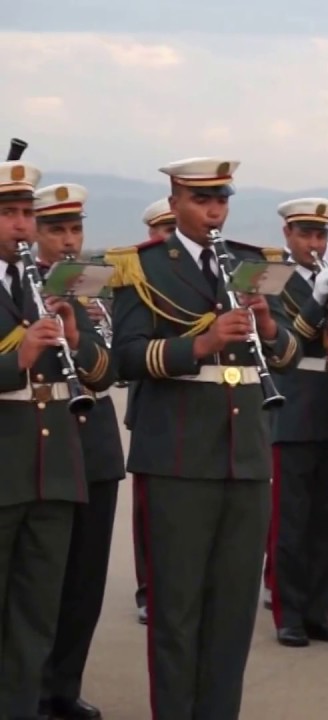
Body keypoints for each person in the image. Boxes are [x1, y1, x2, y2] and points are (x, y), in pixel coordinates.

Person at [107, 156, 302, 718]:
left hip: (246, 454)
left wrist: (267, 327)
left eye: (221, 200)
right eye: (201, 200)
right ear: (174, 204)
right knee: (178, 606)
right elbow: (123, 357)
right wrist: (199, 345)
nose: (214, 211)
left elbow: (287, 354)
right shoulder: (143, 267)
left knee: (234, 607)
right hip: (178, 455)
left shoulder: (248, 263)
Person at [0, 157, 112, 720]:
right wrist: (13, 358)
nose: (21, 226)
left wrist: (73, 337)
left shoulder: (52, 285)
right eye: (10, 215)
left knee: (35, 614)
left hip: (54, 469)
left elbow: (101, 369)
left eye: (26, 213)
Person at [29, 183, 124, 720]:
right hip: (41, 446)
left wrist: (78, 336)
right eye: (55, 229)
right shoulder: (20, 286)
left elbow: (108, 370)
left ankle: (64, 685)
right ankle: (31, 689)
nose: (68, 241)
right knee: (43, 580)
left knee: (85, 581)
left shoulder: (89, 292)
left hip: (94, 448)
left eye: (74, 229)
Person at [264, 198, 328, 648]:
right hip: (293, 410)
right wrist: (317, 297)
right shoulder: (274, 281)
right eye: (305, 234)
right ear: (287, 234)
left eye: (320, 235)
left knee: (327, 521)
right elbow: (284, 344)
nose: (313, 243)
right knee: (292, 522)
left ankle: (318, 610)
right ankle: (288, 614)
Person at [131, 197, 175, 625]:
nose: (168, 238)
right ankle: (148, 588)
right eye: (162, 231)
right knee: (149, 511)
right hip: (153, 403)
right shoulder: (143, 273)